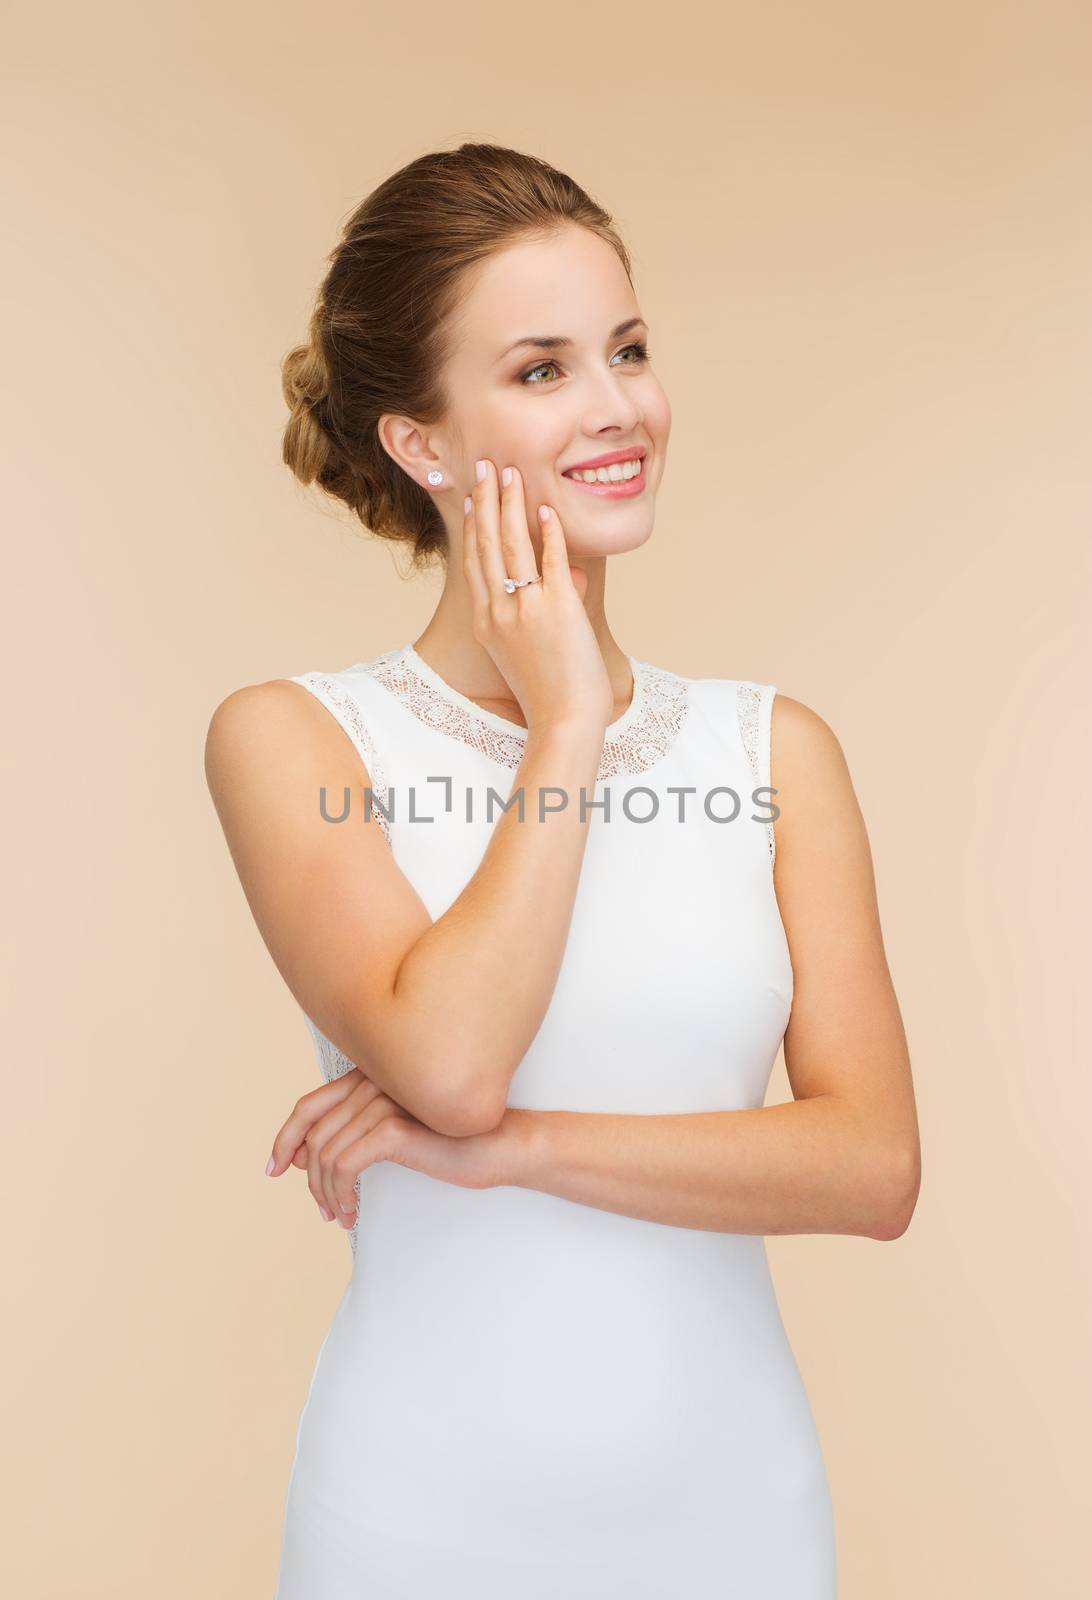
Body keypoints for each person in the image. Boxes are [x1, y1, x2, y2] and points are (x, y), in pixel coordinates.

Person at [204, 141, 920, 1599]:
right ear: (422, 442)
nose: (619, 409)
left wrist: (518, 1152)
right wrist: (572, 723)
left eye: (630, 350)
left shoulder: (776, 752)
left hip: (735, 1519)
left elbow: (872, 1165)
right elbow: (454, 1064)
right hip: (417, 1522)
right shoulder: (295, 741)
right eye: (542, 370)